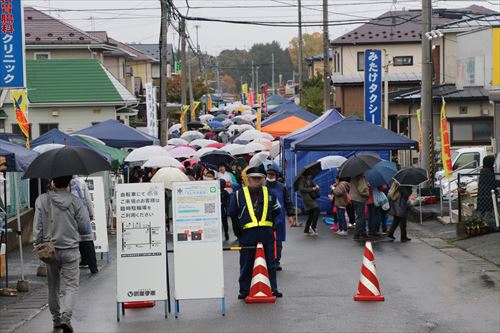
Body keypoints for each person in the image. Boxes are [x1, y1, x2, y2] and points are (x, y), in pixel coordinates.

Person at [33, 175, 91, 333]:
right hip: (71, 249)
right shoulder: (75, 201)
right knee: (72, 285)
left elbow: (37, 226)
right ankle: (66, 317)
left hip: (50, 249)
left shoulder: (42, 200)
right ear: (69, 182)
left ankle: (56, 319)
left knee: (53, 286)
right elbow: (84, 225)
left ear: (52, 181)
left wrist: (37, 243)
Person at [228, 165, 282, 299]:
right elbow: (232, 214)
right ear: (248, 180)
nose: (257, 181)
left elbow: (277, 210)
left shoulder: (270, 193)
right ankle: (244, 290)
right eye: (254, 178)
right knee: (246, 262)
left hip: (266, 232)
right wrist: (238, 232)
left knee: (270, 262)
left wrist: (271, 225)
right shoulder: (238, 194)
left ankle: (273, 288)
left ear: (263, 180)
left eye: (259, 179)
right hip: (247, 234)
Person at [265, 166, 295, 271]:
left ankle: (276, 261)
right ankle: (267, 260)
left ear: (276, 176)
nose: (270, 176)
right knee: (266, 240)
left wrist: (290, 215)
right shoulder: (263, 186)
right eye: (269, 174)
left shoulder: (282, 187)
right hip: (265, 217)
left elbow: (288, 201)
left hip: (279, 218)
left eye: (272, 174)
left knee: (278, 241)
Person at [70, 177, 98, 274]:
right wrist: (91, 213)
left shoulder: (61, 183)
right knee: (86, 239)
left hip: (69, 216)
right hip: (83, 214)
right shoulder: (81, 181)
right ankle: (93, 266)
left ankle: (72, 268)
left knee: (73, 240)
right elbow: (87, 199)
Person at [298, 171, 320, 236]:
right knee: (317, 209)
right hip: (306, 198)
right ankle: (313, 227)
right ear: (306, 175)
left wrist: (316, 186)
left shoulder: (310, 180)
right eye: (310, 175)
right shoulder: (302, 180)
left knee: (311, 214)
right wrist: (312, 189)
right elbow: (301, 189)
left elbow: (314, 185)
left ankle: (306, 230)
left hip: (310, 198)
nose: (311, 176)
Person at [350, 174, 370, 240]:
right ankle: (356, 234)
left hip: (354, 198)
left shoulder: (353, 176)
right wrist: (367, 188)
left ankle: (362, 233)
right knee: (361, 217)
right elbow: (363, 190)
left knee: (360, 216)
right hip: (359, 199)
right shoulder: (360, 177)